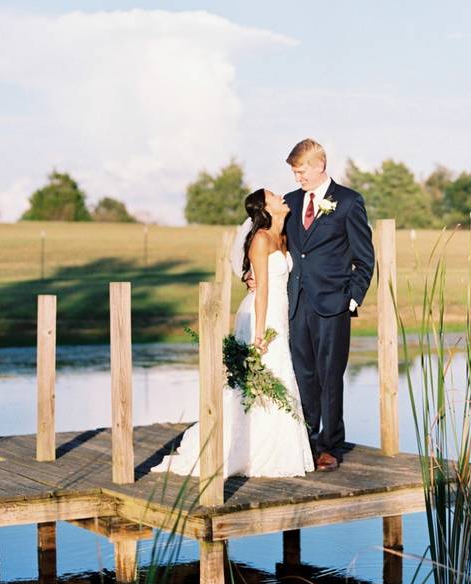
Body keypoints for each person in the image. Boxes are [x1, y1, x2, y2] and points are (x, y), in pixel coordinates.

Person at [151, 189, 315, 477]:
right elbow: (262, 288)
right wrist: (260, 333)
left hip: (280, 313)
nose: (281, 197)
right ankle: (240, 448)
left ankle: (277, 448)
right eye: (274, 196)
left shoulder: (284, 236)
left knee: (279, 375)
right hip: (262, 316)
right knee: (256, 380)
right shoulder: (261, 239)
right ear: (265, 207)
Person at [283, 139, 375, 472]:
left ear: (319, 165)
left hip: (333, 304)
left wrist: (351, 298)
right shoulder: (290, 202)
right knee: (303, 375)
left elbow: (365, 258)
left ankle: (330, 445)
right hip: (296, 303)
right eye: (294, 172)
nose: (298, 179)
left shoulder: (349, 202)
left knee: (329, 376)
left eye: (301, 171)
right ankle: (306, 440)